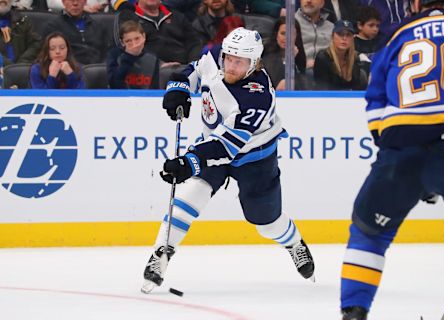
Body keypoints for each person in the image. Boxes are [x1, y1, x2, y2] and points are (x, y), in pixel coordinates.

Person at [141, 27, 316, 293]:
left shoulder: (256, 96)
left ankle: (294, 243)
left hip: (255, 159)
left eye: (240, 62)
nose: (231, 66)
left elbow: (226, 146)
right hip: (214, 146)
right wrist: (179, 89)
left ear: (254, 63)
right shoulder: (216, 57)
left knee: (266, 223)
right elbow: (195, 70)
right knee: (189, 199)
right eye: (229, 58)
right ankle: (161, 255)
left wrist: (189, 163)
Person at [339, 0, 444, 319]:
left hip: (407, 146)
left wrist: (397, 158)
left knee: (369, 233)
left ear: (416, 5)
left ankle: (354, 313)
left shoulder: (397, 36)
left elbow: (376, 105)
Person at [112, 0, 203, 65]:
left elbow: (194, 42)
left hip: (182, 69)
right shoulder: (127, 16)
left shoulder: (176, 15)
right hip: (146, 70)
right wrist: (157, 64)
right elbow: (125, 46)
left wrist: (192, 64)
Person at [42, 0, 110, 65]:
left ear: (85, 1)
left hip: (97, 70)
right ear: (63, 2)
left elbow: (107, 53)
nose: (75, 3)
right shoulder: (52, 27)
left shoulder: (99, 25)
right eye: (71, 0)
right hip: (68, 69)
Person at [313, 20, 367, 90]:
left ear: (352, 39)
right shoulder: (323, 58)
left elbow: (357, 89)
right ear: (332, 36)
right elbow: (322, 90)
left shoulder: (355, 58)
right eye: (340, 34)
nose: (344, 38)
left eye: (348, 35)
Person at [107, 20, 160, 89]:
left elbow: (155, 87)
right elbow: (114, 84)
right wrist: (129, 57)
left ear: (143, 36)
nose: (134, 44)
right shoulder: (114, 55)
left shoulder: (152, 57)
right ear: (122, 42)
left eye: (137, 39)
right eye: (128, 41)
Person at [262, 16, 307, 90]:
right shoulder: (268, 56)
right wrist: (287, 60)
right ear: (276, 35)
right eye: (283, 33)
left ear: (297, 37)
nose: (287, 38)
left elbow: (301, 86)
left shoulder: (299, 56)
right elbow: (275, 82)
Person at [0, 0, 41, 65]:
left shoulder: (22, 20)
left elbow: (35, 43)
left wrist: (22, 63)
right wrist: (8, 65)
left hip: (23, 68)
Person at [295, 0, 334, 69]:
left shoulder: (332, 28)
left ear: (322, 3)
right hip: (299, 73)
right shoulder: (290, 24)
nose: (309, 1)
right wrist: (302, 64)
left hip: (326, 73)